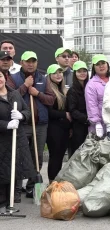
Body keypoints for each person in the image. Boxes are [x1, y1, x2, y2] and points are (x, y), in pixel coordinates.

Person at [8, 51, 55, 199]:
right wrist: (25, 86)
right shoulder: (13, 78)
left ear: (37, 63)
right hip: (22, 124)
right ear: (21, 62)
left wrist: (37, 94)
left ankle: (31, 187)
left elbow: (51, 100)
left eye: (33, 61)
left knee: (37, 156)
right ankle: (16, 188)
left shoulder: (43, 79)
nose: (30, 64)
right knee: (19, 155)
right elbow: (10, 97)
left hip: (40, 124)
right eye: (27, 61)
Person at [0, 71, 35, 208]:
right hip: (2, 140)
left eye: (1, 77)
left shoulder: (14, 94)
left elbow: (28, 111)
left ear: (5, 78)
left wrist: (22, 115)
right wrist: (5, 125)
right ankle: (3, 200)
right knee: (2, 170)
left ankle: (11, 199)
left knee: (14, 169)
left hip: (16, 139)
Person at [45, 64, 71, 183]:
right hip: (53, 128)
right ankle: (51, 183)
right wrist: (64, 115)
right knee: (55, 156)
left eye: (60, 72)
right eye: (55, 73)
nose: (58, 75)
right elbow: (49, 112)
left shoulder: (63, 90)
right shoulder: (49, 90)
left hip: (64, 128)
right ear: (49, 75)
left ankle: (56, 183)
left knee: (60, 157)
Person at [66, 61, 89, 156]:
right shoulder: (72, 90)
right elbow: (72, 110)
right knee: (77, 154)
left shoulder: (89, 87)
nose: (82, 73)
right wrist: (86, 118)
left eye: (84, 71)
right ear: (75, 73)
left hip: (89, 125)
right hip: (78, 126)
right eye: (79, 71)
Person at [85, 54, 110, 138]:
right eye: (98, 64)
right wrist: (97, 123)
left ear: (107, 64)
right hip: (100, 125)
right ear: (94, 67)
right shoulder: (91, 84)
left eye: (103, 63)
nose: (101, 66)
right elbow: (91, 105)